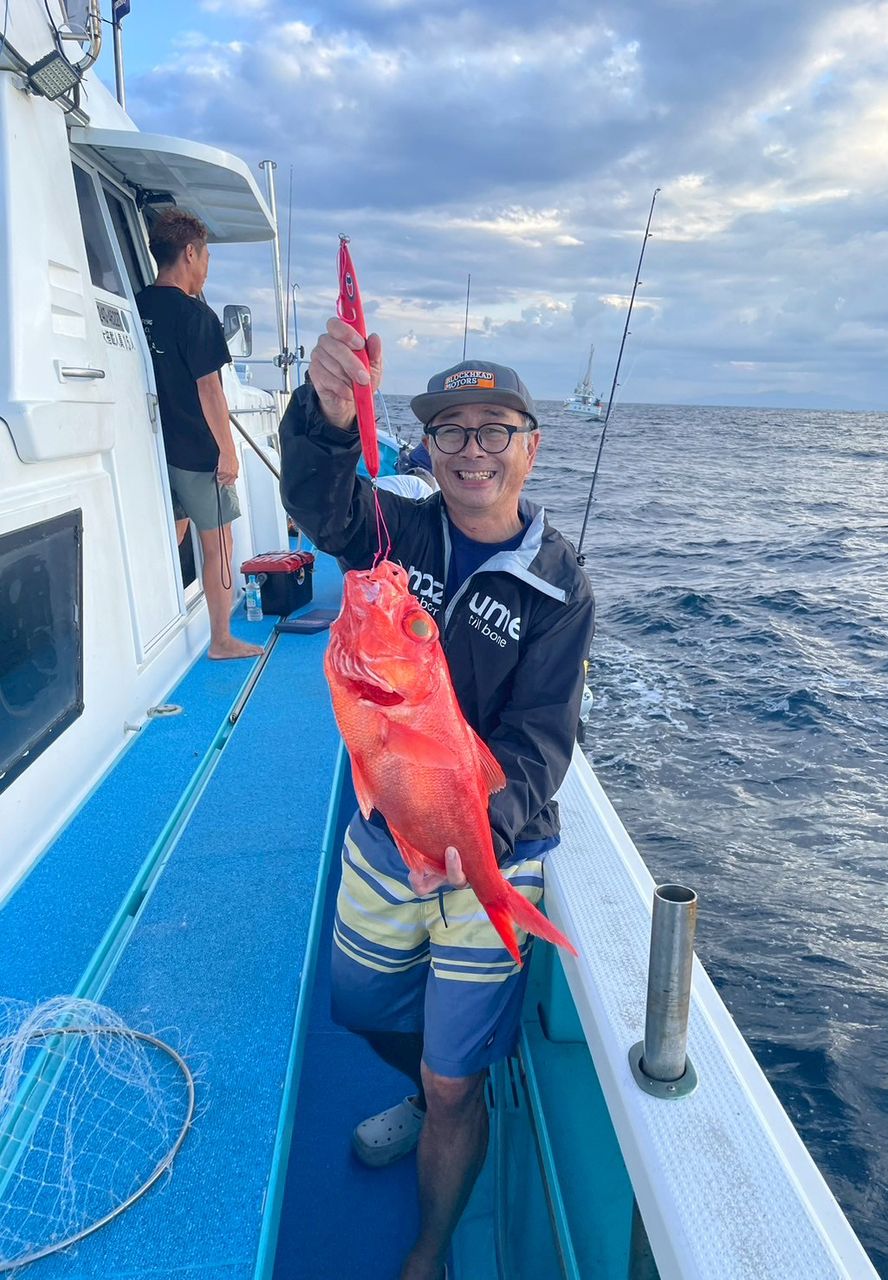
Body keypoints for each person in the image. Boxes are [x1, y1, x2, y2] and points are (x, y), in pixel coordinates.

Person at [280, 320, 594, 1280]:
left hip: (487, 853)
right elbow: (322, 507)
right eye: (451, 431)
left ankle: (426, 1243)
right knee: (361, 1003)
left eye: (494, 430)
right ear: (428, 449)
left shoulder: (561, 588)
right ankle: (429, 1082)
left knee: (456, 1087)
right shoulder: (398, 529)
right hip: (387, 840)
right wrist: (330, 415)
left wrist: (478, 834)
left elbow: (542, 738)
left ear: (529, 447)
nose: (472, 451)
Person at [136, 208, 262, 661]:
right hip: (197, 453)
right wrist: (227, 453)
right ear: (189, 253)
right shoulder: (198, 317)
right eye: (206, 254)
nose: (207, 264)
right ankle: (222, 640)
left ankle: (156, 626)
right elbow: (209, 390)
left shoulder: (138, 304)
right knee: (220, 547)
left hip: (156, 449)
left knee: (175, 531)